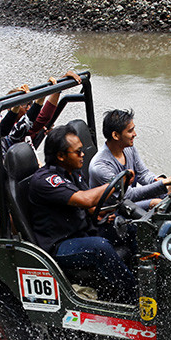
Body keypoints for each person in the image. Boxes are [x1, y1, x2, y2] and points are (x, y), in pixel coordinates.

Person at [29, 124, 136, 303]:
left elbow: (91, 208)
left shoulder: (73, 172)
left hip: (83, 231)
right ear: (61, 156)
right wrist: (116, 182)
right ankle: (133, 296)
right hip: (60, 244)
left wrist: (104, 215)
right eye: (78, 152)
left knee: (129, 226)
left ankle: (148, 275)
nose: (83, 155)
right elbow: (86, 199)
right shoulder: (46, 181)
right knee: (100, 248)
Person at [88, 108, 171, 208]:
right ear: (115, 135)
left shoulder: (129, 148)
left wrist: (158, 180)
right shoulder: (100, 166)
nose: (135, 134)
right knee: (157, 203)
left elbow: (143, 174)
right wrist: (162, 184)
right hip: (113, 208)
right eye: (130, 131)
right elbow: (128, 195)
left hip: (129, 200)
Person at [1, 70, 82, 152]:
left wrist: (59, 84)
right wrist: (50, 90)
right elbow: (42, 117)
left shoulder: (30, 128)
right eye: (25, 104)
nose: (29, 108)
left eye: (30, 104)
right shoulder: (11, 131)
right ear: (10, 109)